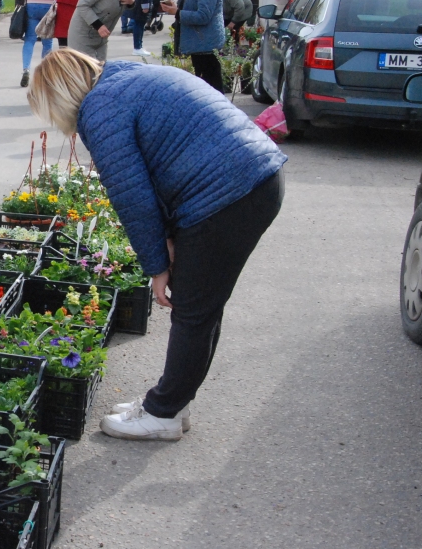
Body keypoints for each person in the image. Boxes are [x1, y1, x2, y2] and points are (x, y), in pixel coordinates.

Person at [26, 48, 285, 440]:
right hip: (252, 176)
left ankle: (162, 413)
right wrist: (168, 242)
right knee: (201, 305)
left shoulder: (100, 111)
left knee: (193, 309)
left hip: (228, 191)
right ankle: (170, 403)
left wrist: (158, 268)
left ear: (60, 95)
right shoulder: (124, 79)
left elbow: (133, 196)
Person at [160, 0, 225, 91]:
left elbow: (203, 16)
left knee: (211, 85)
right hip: (200, 42)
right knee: (205, 84)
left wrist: (177, 12)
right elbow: (193, 6)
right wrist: (174, 6)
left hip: (205, 43)